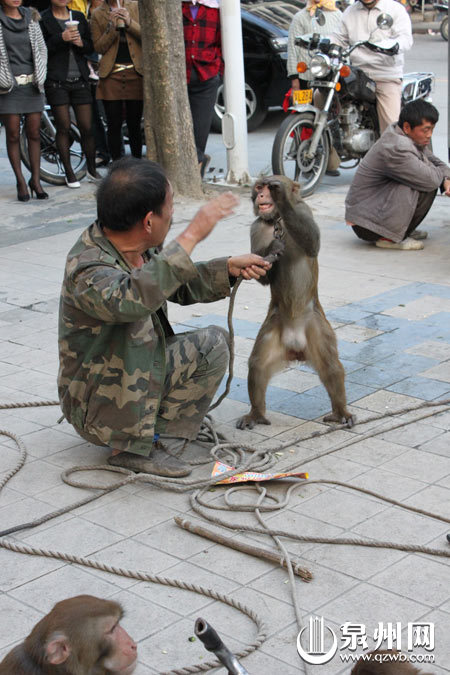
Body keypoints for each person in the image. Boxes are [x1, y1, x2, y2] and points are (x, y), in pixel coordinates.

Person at [58, 157, 271, 477]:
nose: (173, 215)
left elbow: (174, 283)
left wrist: (226, 267)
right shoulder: (88, 268)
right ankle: (127, 447)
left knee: (213, 344)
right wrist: (195, 232)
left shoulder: (139, 246)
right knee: (139, 324)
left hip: (128, 381)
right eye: (169, 207)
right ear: (147, 221)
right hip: (94, 408)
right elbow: (132, 299)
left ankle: (154, 436)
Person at [346, 100, 450, 250]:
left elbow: (439, 164)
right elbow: (432, 179)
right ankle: (389, 237)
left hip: (373, 214)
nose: (429, 135)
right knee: (423, 182)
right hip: (367, 224)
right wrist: (441, 177)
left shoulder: (408, 137)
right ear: (407, 127)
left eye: (432, 129)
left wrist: (446, 178)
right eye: (425, 130)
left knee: (425, 177)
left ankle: (400, 230)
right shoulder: (397, 147)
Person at [41, 0, 101, 188]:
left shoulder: (79, 16)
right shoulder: (43, 18)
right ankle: (69, 173)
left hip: (80, 79)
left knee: (87, 126)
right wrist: (62, 38)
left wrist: (81, 42)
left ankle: (91, 170)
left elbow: (91, 47)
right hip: (56, 80)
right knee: (64, 126)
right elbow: (42, 48)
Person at [331, 0, 413, 134]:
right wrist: (325, 43)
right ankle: (331, 149)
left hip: (385, 75)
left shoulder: (394, 9)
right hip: (357, 74)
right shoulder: (350, 12)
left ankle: (393, 153)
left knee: (391, 129)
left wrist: (393, 45)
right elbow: (339, 38)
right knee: (320, 95)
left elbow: (405, 39)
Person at [287, 0, 342, 176]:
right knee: (304, 122)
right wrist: (294, 79)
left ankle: (327, 161)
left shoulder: (339, 16)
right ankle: (304, 162)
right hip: (305, 79)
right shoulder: (301, 17)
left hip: (329, 79)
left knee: (329, 120)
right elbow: (293, 49)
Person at [0, 0, 47, 201]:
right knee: (12, 134)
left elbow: (41, 49)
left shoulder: (31, 17)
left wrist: (41, 74)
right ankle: (20, 180)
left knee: (34, 132)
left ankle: (35, 180)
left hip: (33, 84)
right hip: (7, 86)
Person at [90, 0, 143, 162]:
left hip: (136, 71)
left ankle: (137, 164)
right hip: (111, 74)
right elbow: (98, 47)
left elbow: (146, 36)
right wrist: (111, 28)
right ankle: (117, 165)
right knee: (114, 124)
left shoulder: (135, 7)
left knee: (134, 124)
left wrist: (129, 22)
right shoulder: (98, 13)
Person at [182, 0, 222, 178]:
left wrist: (218, 70)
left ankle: (197, 169)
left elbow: (221, 42)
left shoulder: (214, 11)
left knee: (200, 128)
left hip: (206, 74)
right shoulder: (177, 9)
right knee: (181, 128)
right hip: (180, 75)